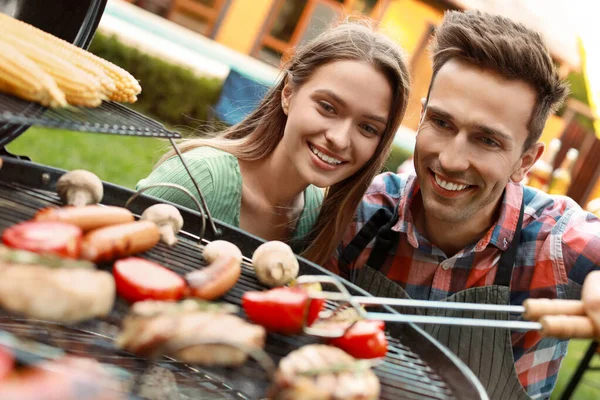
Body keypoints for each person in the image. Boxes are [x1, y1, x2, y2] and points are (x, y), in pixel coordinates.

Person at [326, 10, 600, 400]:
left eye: (487, 140)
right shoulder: (362, 213)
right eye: (441, 123)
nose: (452, 160)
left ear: (526, 160)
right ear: (421, 116)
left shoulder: (554, 243)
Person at [137, 19, 411, 265]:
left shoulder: (315, 216)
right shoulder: (196, 180)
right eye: (327, 107)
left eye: (367, 127)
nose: (339, 139)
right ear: (288, 93)